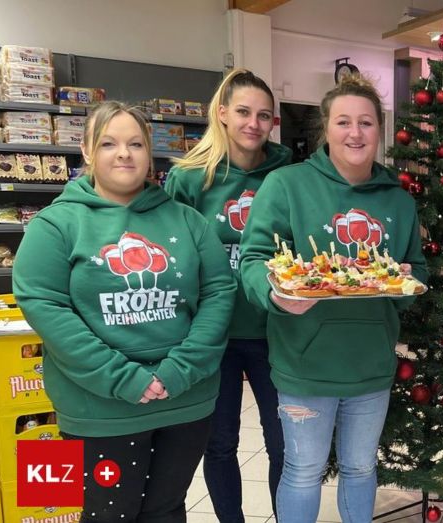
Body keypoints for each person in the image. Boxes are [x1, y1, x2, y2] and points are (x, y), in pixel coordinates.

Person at [13, 101, 236, 521]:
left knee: (167, 511)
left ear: (149, 152)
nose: (124, 154)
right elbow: (45, 306)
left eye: (135, 144)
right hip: (100, 410)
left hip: (184, 401)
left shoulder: (188, 221)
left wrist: (181, 369)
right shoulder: (56, 225)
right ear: (86, 150)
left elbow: (219, 292)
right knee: (108, 515)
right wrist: (122, 377)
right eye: (109, 143)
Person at [238, 74, 428, 522]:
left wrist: (402, 282)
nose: (355, 133)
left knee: (361, 469)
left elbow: (416, 270)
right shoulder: (286, 185)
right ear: (326, 129)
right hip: (304, 363)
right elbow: (254, 260)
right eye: (343, 122)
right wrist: (276, 294)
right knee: (303, 470)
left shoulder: (398, 200)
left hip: (370, 363)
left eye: (366, 122)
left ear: (379, 130)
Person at [165, 68, 291, 522]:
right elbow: (173, 257)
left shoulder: (287, 174)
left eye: (264, 115)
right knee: (219, 444)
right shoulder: (188, 179)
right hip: (212, 335)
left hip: (276, 330)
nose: (253, 124)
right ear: (221, 113)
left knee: (283, 444)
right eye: (243, 112)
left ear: (274, 121)